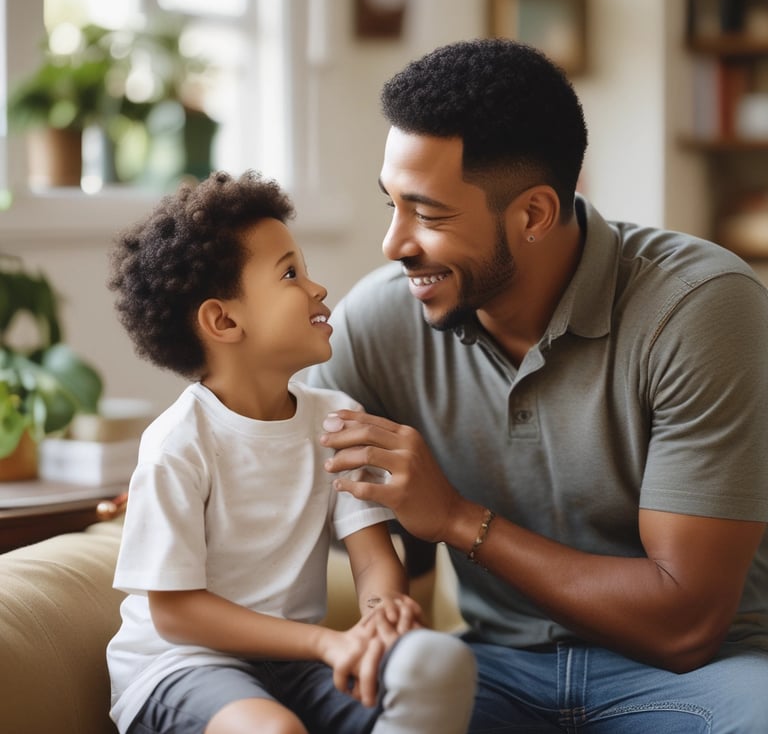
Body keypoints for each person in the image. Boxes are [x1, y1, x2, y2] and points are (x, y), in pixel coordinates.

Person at [309, 39, 768, 732]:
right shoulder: (381, 319)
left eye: (428, 214)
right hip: (494, 670)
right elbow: (281, 461)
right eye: (392, 205)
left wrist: (457, 519)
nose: (394, 243)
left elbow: (686, 626)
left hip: (695, 679)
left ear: (533, 215)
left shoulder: (700, 306)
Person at [105, 170, 476, 734]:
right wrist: (324, 643)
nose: (317, 288)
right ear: (223, 320)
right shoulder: (178, 443)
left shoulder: (335, 418)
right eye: (290, 274)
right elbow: (175, 613)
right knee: (275, 730)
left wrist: (379, 619)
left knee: (438, 662)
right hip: (181, 666)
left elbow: (373, 558)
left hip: (294, 666)